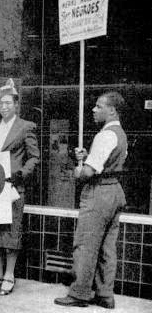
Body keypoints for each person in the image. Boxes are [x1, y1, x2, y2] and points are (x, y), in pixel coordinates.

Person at [54, 92, 127, 309]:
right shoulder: (120, 134)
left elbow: (87, 173)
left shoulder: (104, 135)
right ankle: (105, 295)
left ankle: (79, 293)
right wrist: (87, 158)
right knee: (107, 247)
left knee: (85, 244)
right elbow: (105, 163)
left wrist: (77, 169)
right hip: (114, 190)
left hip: (98, 192)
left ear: (111, 110)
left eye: (98, 106)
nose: (94, 110)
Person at [0, 79, 39, 295]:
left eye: (8, 103)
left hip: (13, 187)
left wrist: (21, 174)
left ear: (16, 104)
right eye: (0, 103)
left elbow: (34, 157)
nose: (4, 107)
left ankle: (9, 275)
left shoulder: (26, 126)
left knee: (11, 232)